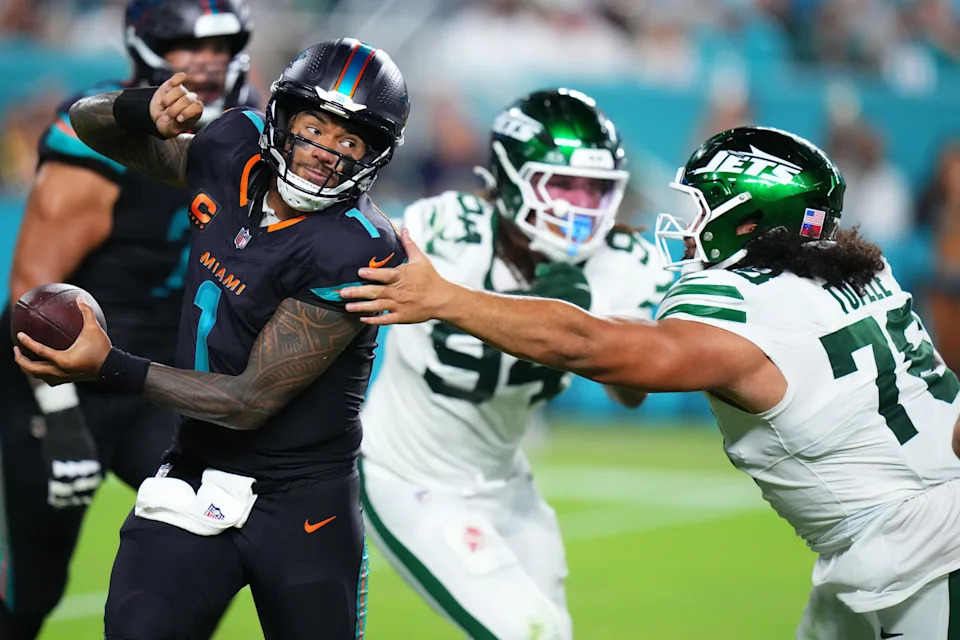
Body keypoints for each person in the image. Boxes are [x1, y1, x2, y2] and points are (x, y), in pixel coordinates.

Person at [342, 126, 960, 639]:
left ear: (747, 221)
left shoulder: (740, 308)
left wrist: (445, 298)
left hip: (925, 553)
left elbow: (594, 347)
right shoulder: (861, 273)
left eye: (703, 206)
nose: (690, 223)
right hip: (894, 541)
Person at [13, 37, 408, 639]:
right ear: (283, 116)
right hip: (197, 468)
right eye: (315, 127)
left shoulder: (360, 246)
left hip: (304, 500)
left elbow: (248, 400)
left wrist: (106, 366)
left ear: (373, 156)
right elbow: (89, 129)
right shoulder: (232, 149)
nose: (328, 152)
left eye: (351, 141)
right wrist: (136, 109)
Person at [359, 87, 672, 640]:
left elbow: (633, 392)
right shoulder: (445, 229)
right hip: (408, 475)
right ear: (509, 179)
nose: (580, 206)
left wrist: (590, 326)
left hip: (507, 482)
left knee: (552, 631)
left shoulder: (621, 264)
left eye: (596, 189)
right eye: (563, 185)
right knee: (532, 633)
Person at [0, 1, 255, 636]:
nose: (207, 61)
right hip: (63, 370)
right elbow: (33, 294)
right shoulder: (101, 132)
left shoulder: (254, 126)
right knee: (34, 587)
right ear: (147, 49)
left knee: (218, 533)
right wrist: (58, 422)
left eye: (221, 46)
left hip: (150, 373)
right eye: (185, 45)